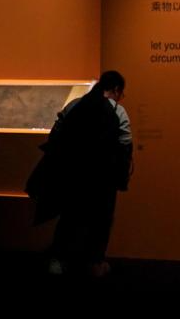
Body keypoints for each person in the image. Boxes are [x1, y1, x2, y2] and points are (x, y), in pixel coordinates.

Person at [41, 70, 132, 278]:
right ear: (116, 89)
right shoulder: (118, 111)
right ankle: (95, 263)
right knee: (101, 220)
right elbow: (125, 143)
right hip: (103, 177)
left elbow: (56, 134)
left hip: (73, 174)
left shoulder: (75, 105)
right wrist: (121, 175)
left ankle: (58, 260)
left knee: (69, 217)